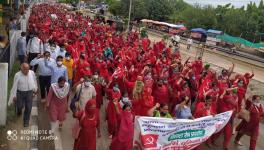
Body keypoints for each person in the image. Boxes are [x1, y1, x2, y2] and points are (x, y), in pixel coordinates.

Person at [8, 63, 38, 127]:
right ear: (21, 69)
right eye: (25, 69)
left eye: (28, 69)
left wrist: (35, 90)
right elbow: (14, 85)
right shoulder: (17, 75)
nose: (27, 71)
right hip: (20, 93)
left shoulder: (31, 73)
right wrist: (14, 95)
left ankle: (26, 121)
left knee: (28, 107)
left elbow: (34, 81)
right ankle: (19, 111)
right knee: (20, 106)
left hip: (29, 92)